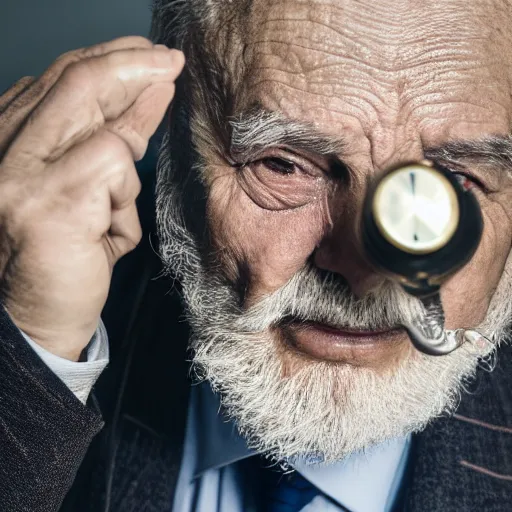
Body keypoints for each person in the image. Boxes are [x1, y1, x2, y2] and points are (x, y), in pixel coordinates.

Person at [1, 1, 512, 510]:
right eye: (286, 165)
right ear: (174, 136)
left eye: (454, 184)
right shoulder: (53, 311)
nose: (365, 273)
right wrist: (29, 356)